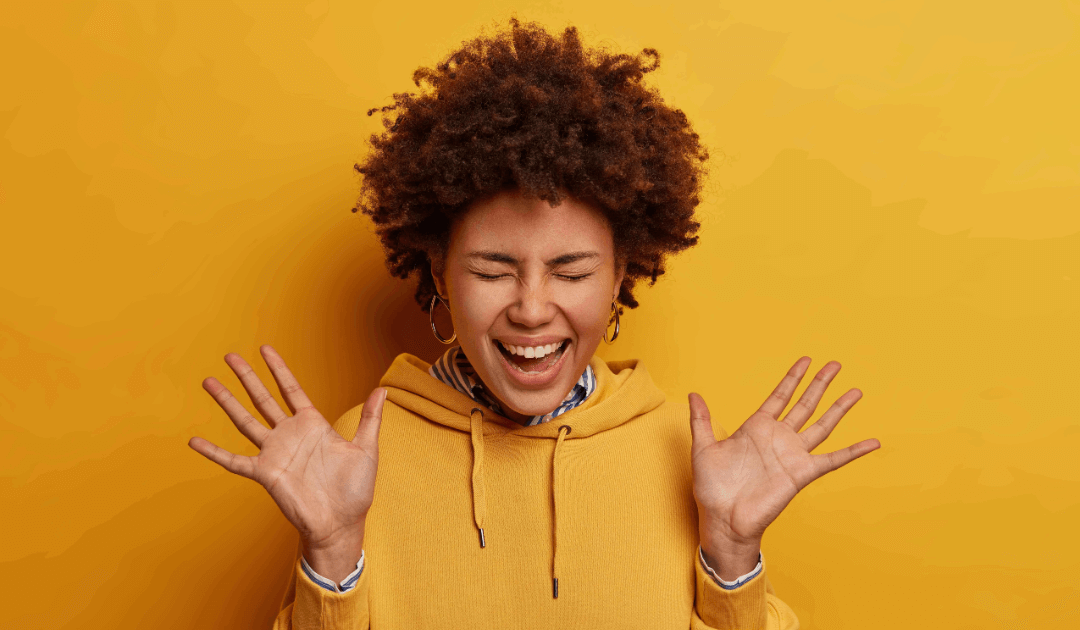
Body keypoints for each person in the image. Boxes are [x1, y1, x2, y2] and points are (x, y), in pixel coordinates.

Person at [187, 19, 879, 629]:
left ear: (620, 279)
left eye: (572, 272)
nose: (531, 307)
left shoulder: (692, 461)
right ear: (438, 272)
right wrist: (331, 558)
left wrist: (732, 559)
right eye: (492, 270)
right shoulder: (352, 460)